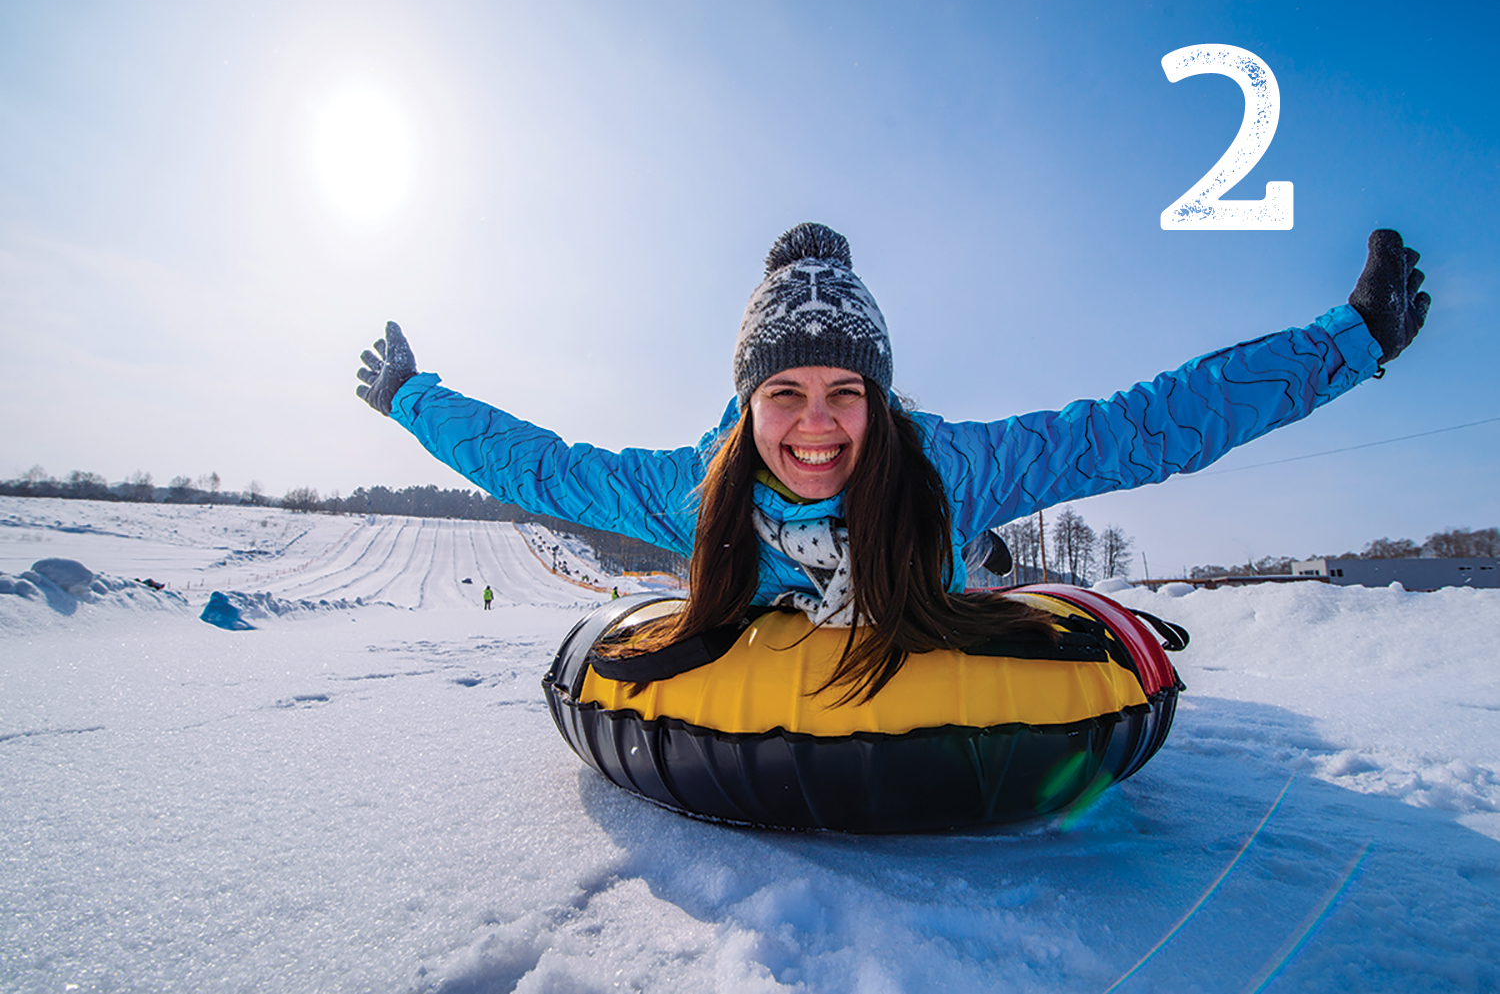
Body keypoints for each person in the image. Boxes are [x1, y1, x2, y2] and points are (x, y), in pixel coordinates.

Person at [357, 224, 1429, 701]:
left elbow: (1142, 425)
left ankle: (982, 554)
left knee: (971, 555)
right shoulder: (698, 486)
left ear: (877, 396)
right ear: (746, 404)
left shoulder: (943, 463)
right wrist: (413, 397)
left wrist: (1350, 340)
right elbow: (544, 467)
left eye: (845, 393)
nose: (817, 426)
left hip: (938, 551)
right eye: (785, 392)